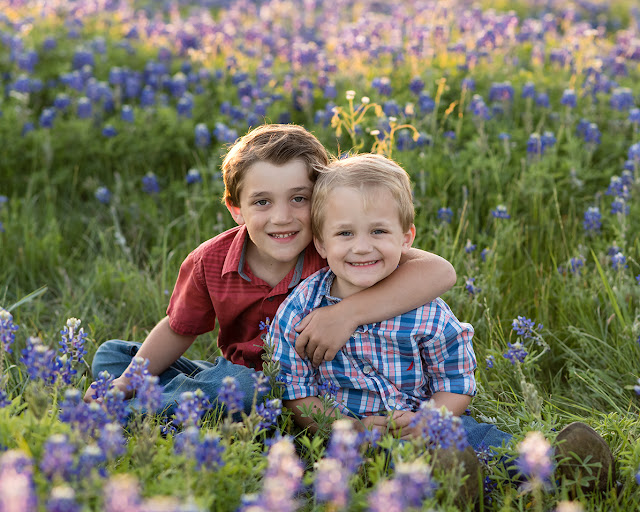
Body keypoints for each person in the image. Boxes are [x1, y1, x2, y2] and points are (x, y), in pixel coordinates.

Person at [270, 153, 615, 495]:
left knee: (484, 439)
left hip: (430, 426)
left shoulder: (425, 309)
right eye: (344, 233)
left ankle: (569, 472)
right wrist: (347, 429)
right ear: (320, 242)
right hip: (352, 442)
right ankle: (456, 487)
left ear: (406, 238)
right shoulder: (302, 309)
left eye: (379, 230)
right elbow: (295, 389)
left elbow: (456, 379)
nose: (362, 247)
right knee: (360, 471)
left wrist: (431, 420)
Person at [83, 124, 458, 417]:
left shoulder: (336, 249)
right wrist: (126, 381)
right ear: (235, 208)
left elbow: (439, 272)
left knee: (243, 391)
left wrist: (346, 314)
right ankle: (141, 396)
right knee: (118, 357)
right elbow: (179, 329)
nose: (282, 218)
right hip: (238, 379)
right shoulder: (209, 261)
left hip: (315, 393)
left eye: (299, 198)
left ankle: (143, 408)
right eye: (262, 202)